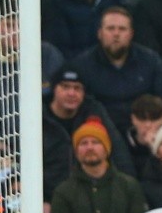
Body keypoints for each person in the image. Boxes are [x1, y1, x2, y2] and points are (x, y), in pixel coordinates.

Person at [71, 6, 162, 137]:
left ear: (131, 34)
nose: (116, 34)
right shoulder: (82, 65)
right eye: (110, 28)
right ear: (100, 33)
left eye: (122, 29)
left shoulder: (151, 61)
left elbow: (161, 102)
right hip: (100, 133)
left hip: (144, 132)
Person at [42, 65, 135, 200]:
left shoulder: (94, 111)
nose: (71, 93)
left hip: (90, 198)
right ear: (54, 89)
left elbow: (118, 151)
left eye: (77, 88)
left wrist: (128, 190)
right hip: (47, 199)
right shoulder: (37, 116)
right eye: (65, 87)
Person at [49, 117, 148, 213]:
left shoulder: (130, 186)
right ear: (76, 151)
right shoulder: (64, 192)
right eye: (83, 143)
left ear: (107, 148)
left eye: (95, 142)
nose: (89, 147)